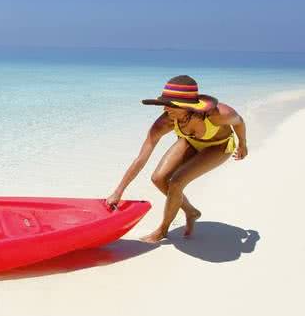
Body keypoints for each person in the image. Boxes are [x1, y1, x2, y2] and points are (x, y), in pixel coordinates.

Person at [106, 75, 248, 243]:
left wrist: (242, 145)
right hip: (190, 141)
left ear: (188, 107)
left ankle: (162, 230)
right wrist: (118, 192)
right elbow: (141, 158)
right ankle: (191, 212)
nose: (165, 109)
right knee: (158, 178)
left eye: (171, 105)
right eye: (164, 104)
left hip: (218, 146)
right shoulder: (166, 122)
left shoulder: (219, 115)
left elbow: (238, 122)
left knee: (176, 182)